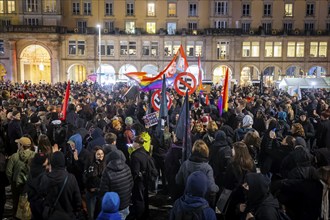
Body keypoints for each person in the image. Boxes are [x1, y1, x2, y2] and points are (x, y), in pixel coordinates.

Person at [175, 140, 219, 207]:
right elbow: (211, 188)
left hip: (187, 200)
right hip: (202, 203)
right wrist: (217, 188)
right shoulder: (207, 168)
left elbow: (178, 181)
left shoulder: (185, 164)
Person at [40, 151, 82, 219]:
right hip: (68, 215)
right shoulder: (71, 178)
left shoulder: (45, 178)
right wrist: (76, 212)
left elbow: (41, 195)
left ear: (52, 162)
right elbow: (77, 200)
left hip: (51, 215)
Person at [6, 136, 35, 217]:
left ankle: (15, 216)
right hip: (30, 185)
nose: (17, 145)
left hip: (16, 184)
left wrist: (12, 181)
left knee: (16, 202)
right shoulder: (34, 155)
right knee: (28, 203)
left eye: (18, 144)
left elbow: (8, 172)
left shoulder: (14, 156)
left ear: (22, 146)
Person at [99, 150, 133, 220]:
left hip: (113, 207)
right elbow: (131, 184)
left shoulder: (107, 171)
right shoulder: (126, 167)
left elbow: (104, 192)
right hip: (125, 203)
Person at [126, 135, 151, 220]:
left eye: (133, 142)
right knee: (144, 197)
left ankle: (139, 216)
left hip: (139, 181)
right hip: (145, 178)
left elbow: (135, 172)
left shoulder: (135, 155)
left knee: (138, 199)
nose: (132, 144)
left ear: (137, 144)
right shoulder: (145, 152)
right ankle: (145, 215)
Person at [84, 146, 106, 220]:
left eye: (102, 154)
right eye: (98, 154)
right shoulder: (91, 165)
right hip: (91, 192)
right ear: (94, 155)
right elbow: (89, 178)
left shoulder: (104, 163)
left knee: (99, 212)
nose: (101, 156)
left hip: (100, 192)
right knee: (91, 214)